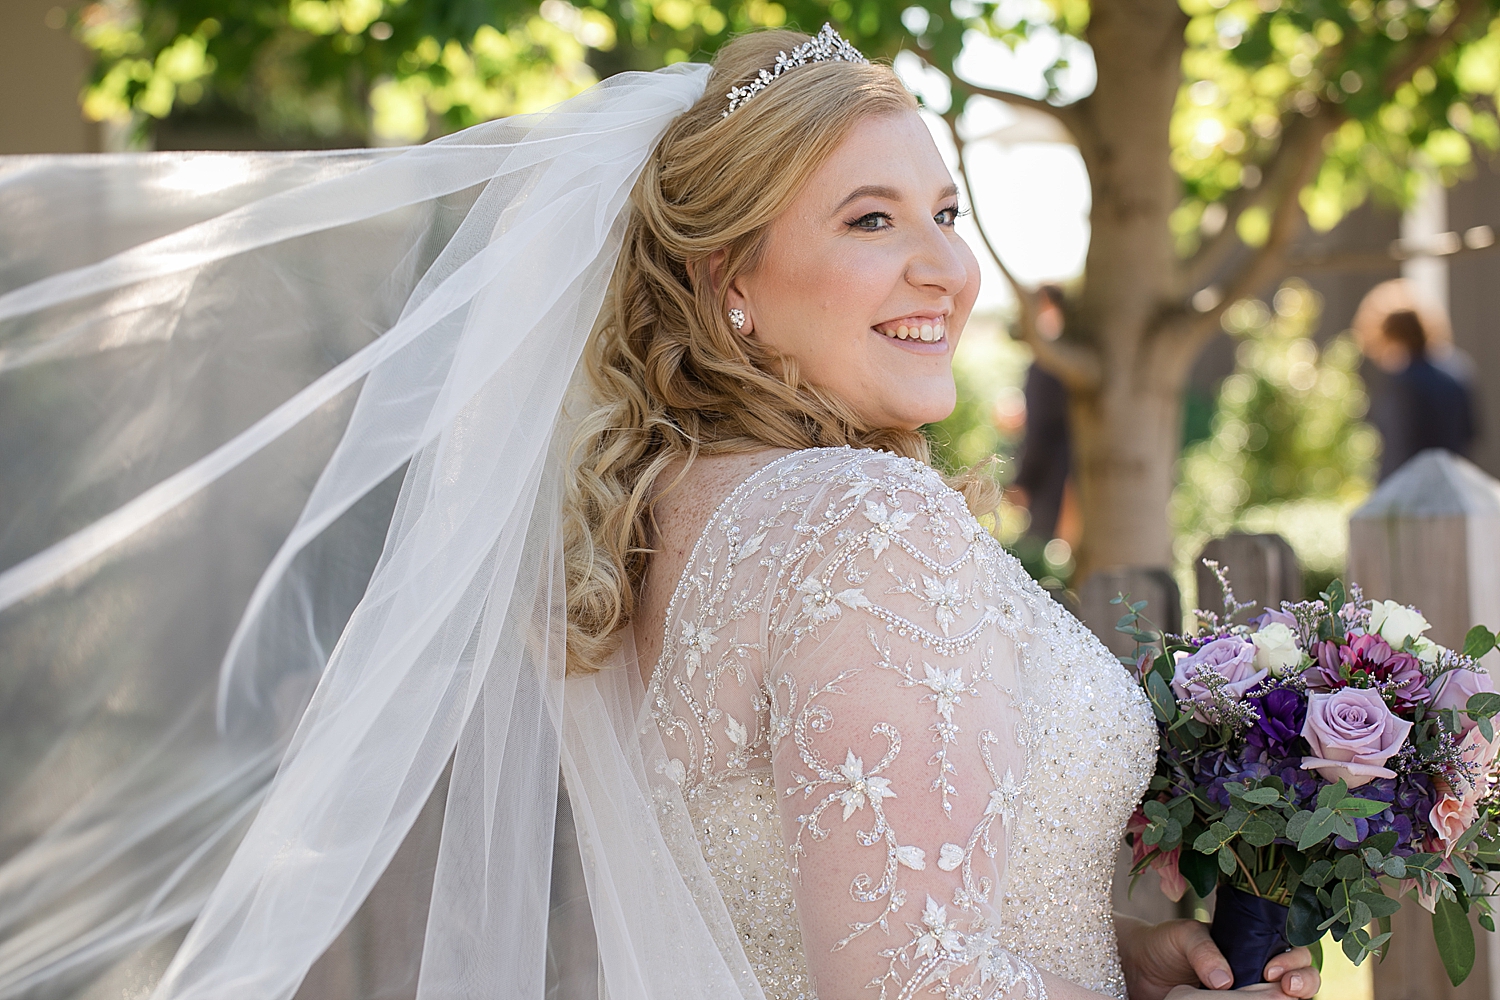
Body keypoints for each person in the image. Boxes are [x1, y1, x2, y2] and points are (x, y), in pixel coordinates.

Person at [0, 27, 1319, 1000]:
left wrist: (1120, 962)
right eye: (871, 219)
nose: (945, 267)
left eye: (945, 211)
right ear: (727, 277)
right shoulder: (856, 520)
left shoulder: (673, 516)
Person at [1351, 279, 1478, 480]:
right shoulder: (1457, 369)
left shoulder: (1405, 382)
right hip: (1453, 481)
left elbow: (1398, 448)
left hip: (1414, 487)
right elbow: (1471, 433)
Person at [1011, 284, 1073, 543]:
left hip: (1054, 483)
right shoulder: (1071, 360)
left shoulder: (1047, 367)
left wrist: (1024, 482)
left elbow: (1040, 431)